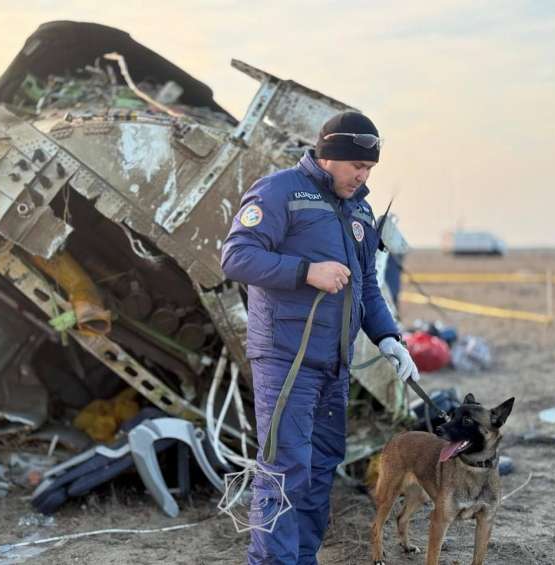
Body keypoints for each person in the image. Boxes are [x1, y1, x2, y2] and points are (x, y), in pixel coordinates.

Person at [221, 111, 419, 564]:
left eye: (369, 168)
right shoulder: (279, 192)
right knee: (285, 470)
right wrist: (304, 272)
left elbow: (367, 283)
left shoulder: (360, 210)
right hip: (286, 360)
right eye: (357, 166)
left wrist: (388, 338)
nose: (363, 176)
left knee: (318, 469)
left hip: (335, 363)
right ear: (329, 157)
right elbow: (236, 257)